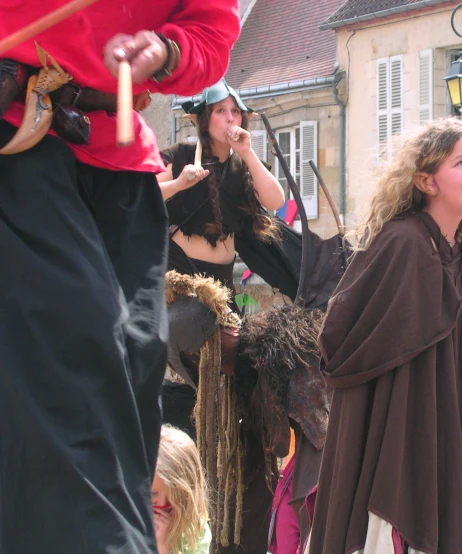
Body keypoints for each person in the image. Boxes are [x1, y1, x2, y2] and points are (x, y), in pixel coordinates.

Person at [0, 3, 239, 552]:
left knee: (136, 357)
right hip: (17, 137)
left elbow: (211, 29)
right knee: (76, 340)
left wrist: (165, 49)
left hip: (117, 153)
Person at [305, 118, 462, 553]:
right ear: (426, 180)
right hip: (398, 419)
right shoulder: (405, 242)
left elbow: (455, 353)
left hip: (446, 415)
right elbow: (343, 334)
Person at [157, 79, 285, 439]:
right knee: (214, 349)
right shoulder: (183, 154)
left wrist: (248, 153)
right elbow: (140, 191)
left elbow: (275, 201)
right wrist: (180, 183)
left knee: (241, 367)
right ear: (205, 119)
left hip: (223, 287)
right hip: (184, 284)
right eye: (220, 111)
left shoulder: (242, 167)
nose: (230, 118)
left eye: (235, 112)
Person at [152, 425, 211, 554]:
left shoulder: (194, 531)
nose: (162, 505)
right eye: (153, 494)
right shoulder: (127, 519)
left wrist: (163, 548)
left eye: (175, 496)